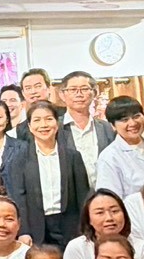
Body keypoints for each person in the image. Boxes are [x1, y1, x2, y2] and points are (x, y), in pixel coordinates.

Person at [7, 101, 88, 247]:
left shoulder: (73, 157)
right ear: (30, 126)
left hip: (70, 228)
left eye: (49, 119)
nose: (43, 125)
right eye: (37, 120)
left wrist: (84, 229)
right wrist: (23, 231)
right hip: (36, 230)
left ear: (57, 124)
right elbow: (18, 198)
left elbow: (83, 196)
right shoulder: (19, 159)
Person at [94, 96, 144, 199]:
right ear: (113, 125)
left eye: (136, 116)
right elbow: (109, 199)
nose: (133, 123)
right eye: (125, 120)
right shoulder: (109, 157)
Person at [57, 71, 116, 187]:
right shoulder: (55, 128)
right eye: (73, 90)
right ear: (62, 95)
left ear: (94, 93)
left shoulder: (106, 128)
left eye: (84, 89)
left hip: (104, 192)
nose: (79, 94)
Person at [12, 68, 53, 142]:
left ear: (49, 88)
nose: (33, 92)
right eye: (28, 88)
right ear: (23, 93)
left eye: (38, 86)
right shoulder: (21, 128)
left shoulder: (64, 119)